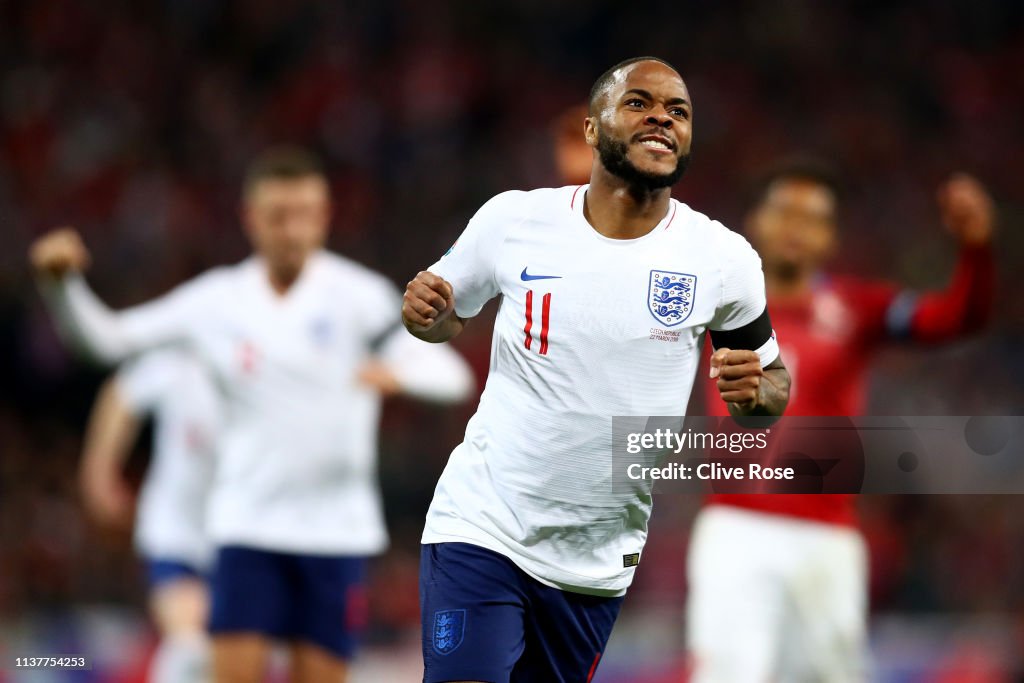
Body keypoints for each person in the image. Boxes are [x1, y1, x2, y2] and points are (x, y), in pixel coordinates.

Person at [402, 56, 790, 683]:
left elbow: (771, 386)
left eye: (679, 111)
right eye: (639, 102)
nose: (662, 116)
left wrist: (757, 394)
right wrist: (429, 314)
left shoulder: (723, 259)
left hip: (595, 562)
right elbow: (446, 313)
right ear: (591, 130)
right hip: (482, 526)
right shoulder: (514, 220)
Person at [29, 147, 475, 683]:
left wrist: (399, 376)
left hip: (336, 534)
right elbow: (106, 341)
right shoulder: (217, 302)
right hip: (247, 530)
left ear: (325, 216)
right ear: (251, 220)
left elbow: (454, 378)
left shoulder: (360, 299)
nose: (291, 230)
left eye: (305, 214)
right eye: (277, 216)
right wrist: (62, 286)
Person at [687, 159, 995, 682]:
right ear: (756, 221)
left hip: (826, 539)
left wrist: (977, 250)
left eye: (813, 218)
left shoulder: (856, 308)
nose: (796, 227)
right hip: (735, 528)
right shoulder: (709, 301)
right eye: (785, 211)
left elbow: (955, 318)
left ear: (830, 237)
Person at [81, 350, 220, 683]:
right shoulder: (182, 355)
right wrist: (98, 472)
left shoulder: (277, 359)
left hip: (244, 534)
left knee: (226, 658)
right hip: (175, 530)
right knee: (190, 647)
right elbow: (121, 394)